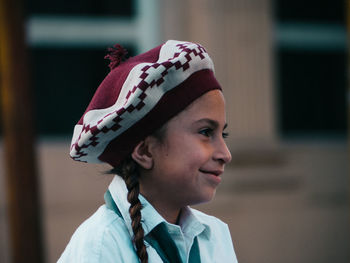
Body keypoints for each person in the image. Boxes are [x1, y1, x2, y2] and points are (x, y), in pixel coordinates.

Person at [58, 40, 238, 263]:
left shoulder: (214, 235)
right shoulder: (100, 246)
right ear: (144, 151)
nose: (225, 154)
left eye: (224, 135)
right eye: (205, 132)